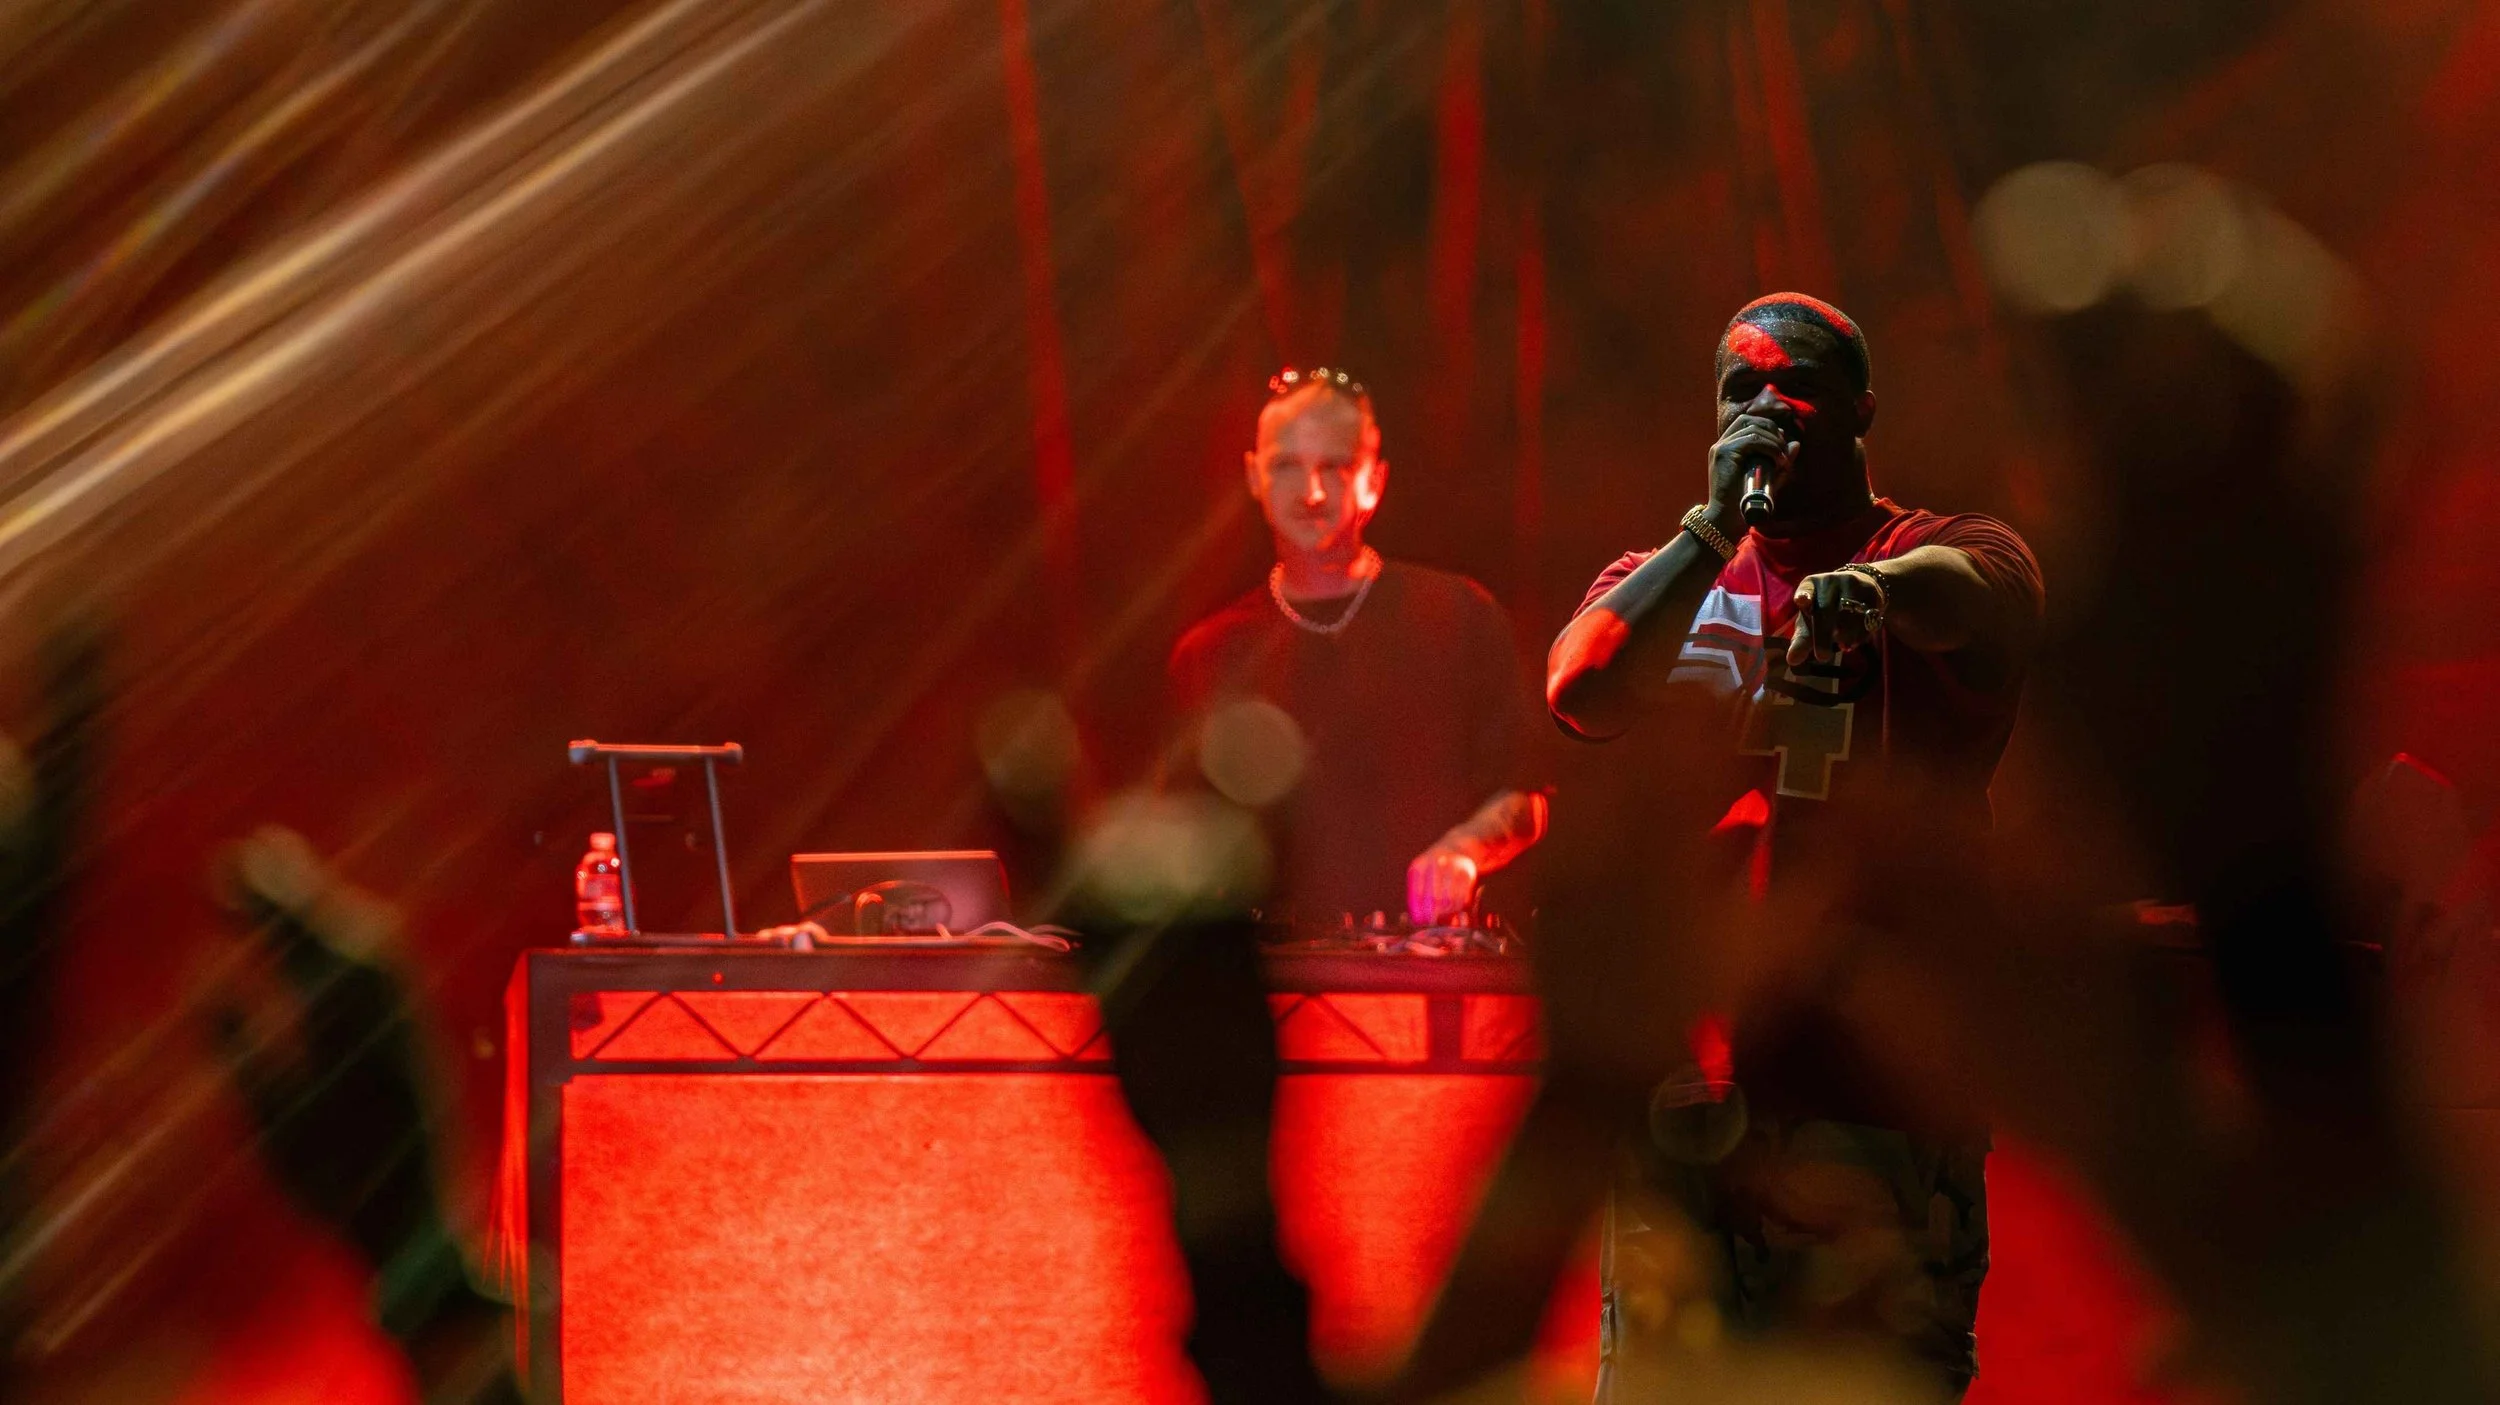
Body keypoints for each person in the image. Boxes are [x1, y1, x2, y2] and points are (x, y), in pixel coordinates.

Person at [1545, 293, 2045, 1398]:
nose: (1767, 405)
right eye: (1740, 388)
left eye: (1797, 383)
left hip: (1875, 1116)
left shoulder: (1936, 551)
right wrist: (1707, 530)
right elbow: (1579, 685)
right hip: (1690, 1104)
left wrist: (1863, 590)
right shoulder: (1671, 577)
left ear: (1860, 411)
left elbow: (1989, 598)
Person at [1169, 366, 1548, 926]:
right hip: (1275, 987)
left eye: (1335, 467)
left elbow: (1529, 797)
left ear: (1376, 479)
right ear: (1253, 476)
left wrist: (1464, 850)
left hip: (1430, 973)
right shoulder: (1210, 652)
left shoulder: (1460, 615)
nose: (1313, 492)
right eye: (1288, 466)